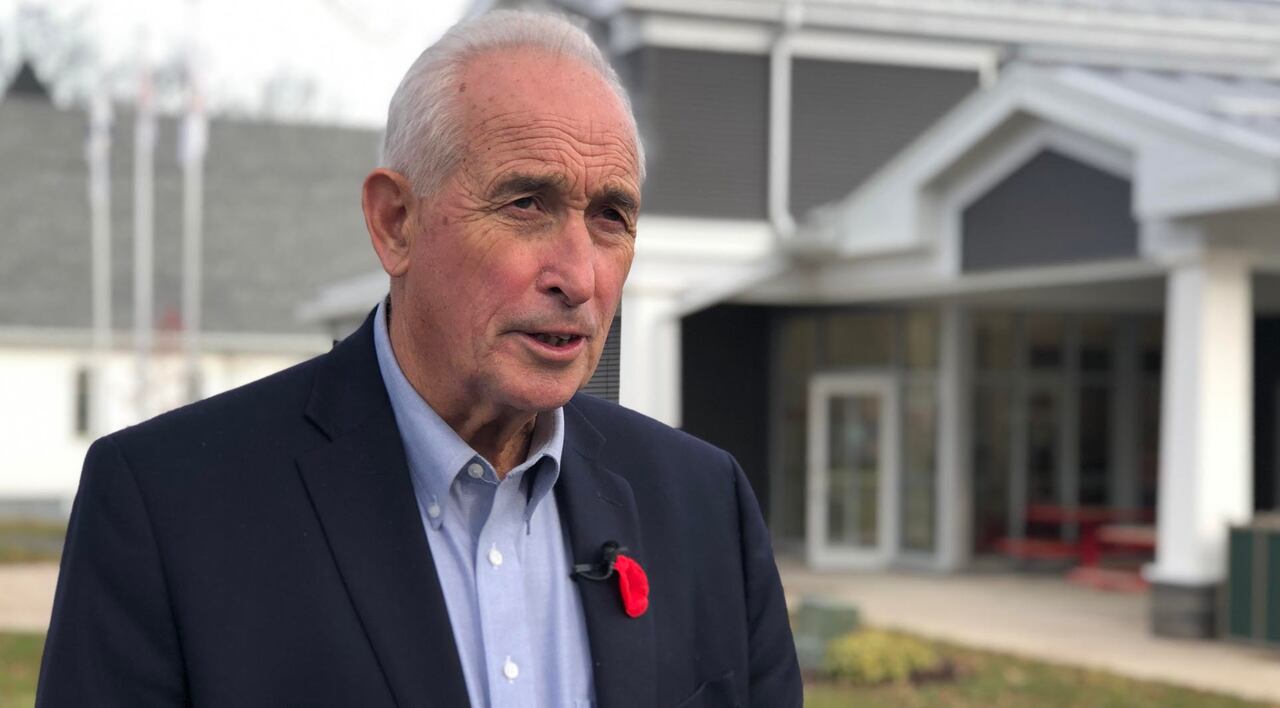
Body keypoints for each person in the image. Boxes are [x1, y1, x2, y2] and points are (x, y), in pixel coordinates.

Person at [37, 10, 801, 707]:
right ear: (394, 222)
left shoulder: (706, 506)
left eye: (611, 216)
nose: (580, 275)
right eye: (526, 204)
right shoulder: (168, 508)